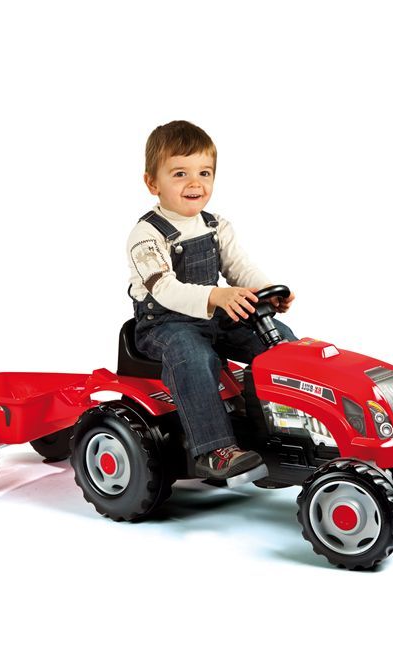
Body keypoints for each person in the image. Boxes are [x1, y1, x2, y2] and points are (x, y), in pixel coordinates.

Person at [126, 120, 297, 481]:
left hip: (215, 314)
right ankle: (214, 449)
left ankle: (277, 428)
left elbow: (239, 268)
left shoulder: (216, 225)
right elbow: (164, 288)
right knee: (193, 355)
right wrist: (216, 295)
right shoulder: (146, 235)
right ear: (152, 183)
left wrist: (267, 290)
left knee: (279, 342)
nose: (195, 183)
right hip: (164, 324)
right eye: (180, 174)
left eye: (204, 173)